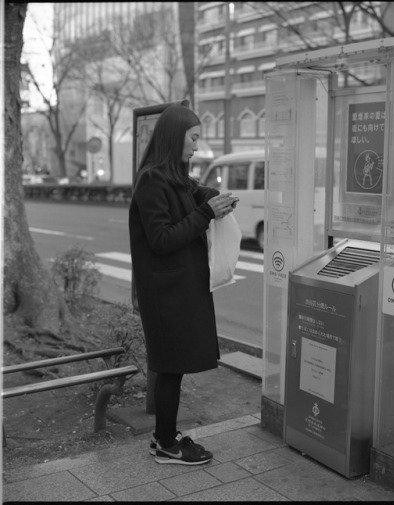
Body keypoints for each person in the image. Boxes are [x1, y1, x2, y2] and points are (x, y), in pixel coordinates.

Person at [129, 102, 238, 465]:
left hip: (177, 289)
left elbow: (193, 191)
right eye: (193, 138)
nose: (196, 146)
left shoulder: (172, 177)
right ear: (175, 136)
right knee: (170, 366)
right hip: (164, 294)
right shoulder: (151, 179)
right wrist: (206, 213)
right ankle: (165, 444)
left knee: (173, 366)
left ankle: (165, 434)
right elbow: (161, 238)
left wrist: (213, 199)